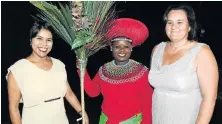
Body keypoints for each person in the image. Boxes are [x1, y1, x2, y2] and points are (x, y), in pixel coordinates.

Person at [6, 21, 89, 124]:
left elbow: (69, 93)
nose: (44, 44)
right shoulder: (17, 70)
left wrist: (82, 112)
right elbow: (14, 109)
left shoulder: (59, 65)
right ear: (31, 40)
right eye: (39, 38)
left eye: (48, 40)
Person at [149, 4, 218, 124]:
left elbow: (209, 99)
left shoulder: (201, 52)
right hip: (158, 118)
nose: (173, 27)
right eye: (169, 22)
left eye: (179, 22)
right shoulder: (157, 49)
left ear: (189, 26)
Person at [77, 18, 153, 124]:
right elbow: (94, 92)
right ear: (111, 48)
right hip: (106, 121)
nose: (122, 50)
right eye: (117, 46)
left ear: (131, 48)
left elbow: (147, 105)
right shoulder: (104, 70)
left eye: (126, 46)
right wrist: (82, 72)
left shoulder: (142, 72)